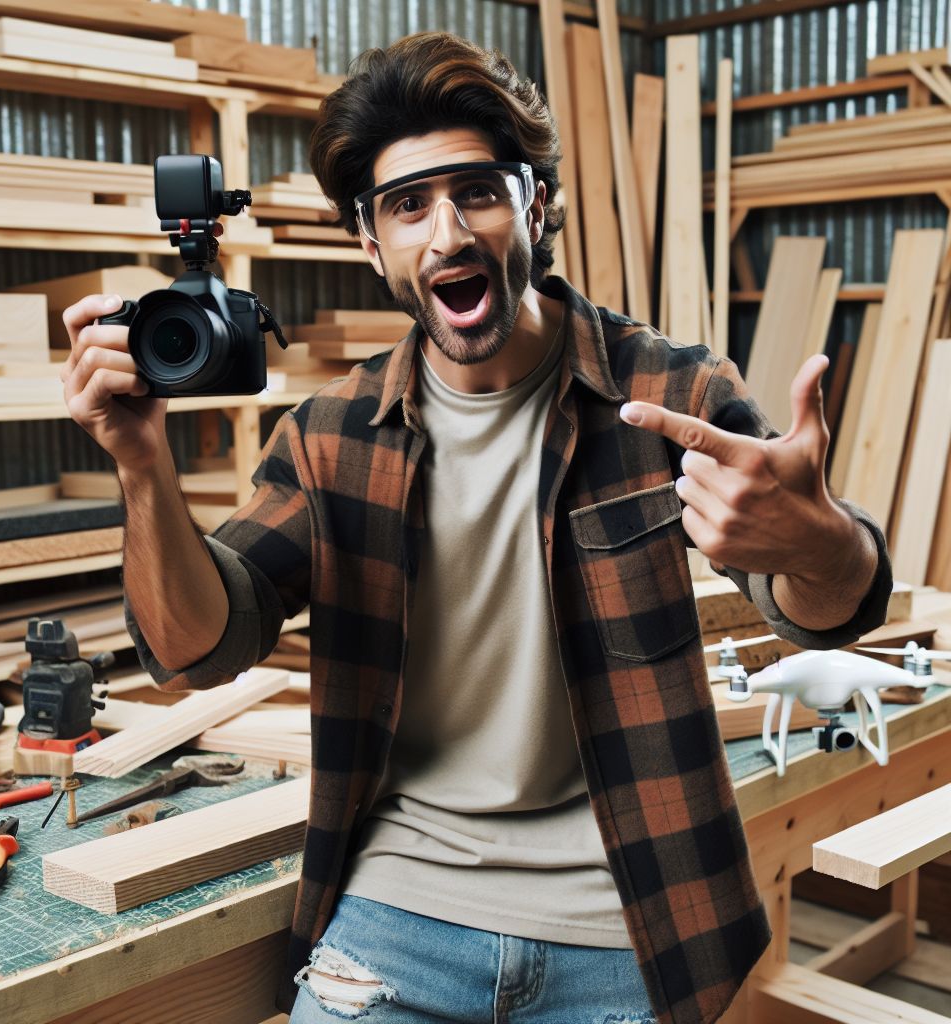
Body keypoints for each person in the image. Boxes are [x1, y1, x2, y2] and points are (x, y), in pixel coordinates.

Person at [60, 32, 892, 1024]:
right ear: (371, 244)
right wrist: (142, 466)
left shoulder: (669, 394)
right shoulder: (330, 438)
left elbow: (824, 610)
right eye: (407, 205)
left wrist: (817, 542)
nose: (447, 232)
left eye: (478, 192)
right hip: (393, 923)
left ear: (533, 205)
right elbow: (196, 652)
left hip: (625, 927)